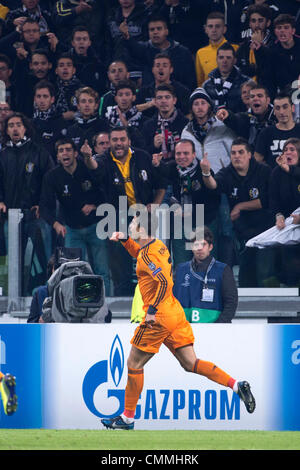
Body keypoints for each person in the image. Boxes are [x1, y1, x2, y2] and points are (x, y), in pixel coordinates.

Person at [101, 211, 255, 430]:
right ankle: (236, 385)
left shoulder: (148, 255)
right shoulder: (156, 246)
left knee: (133, 364)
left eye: (133, 224)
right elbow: (142, 257)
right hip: (175, 314)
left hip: (160, 316)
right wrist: (125, 240)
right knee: (190, 363)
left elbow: (164, 282)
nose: (130, 226)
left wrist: (152, 310)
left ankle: (127, 418)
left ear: (142, 230)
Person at [83, 126, 166, 296]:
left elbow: (161, 185)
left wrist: (155, 204)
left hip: (144, 216)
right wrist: (87, 157)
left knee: (149, 259)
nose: (118, 143)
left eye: (122, 139)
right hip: (116, 218)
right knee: (120, 263)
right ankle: (124, 302)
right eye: (115, 140)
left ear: (129, 141)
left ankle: (152, 298)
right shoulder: (104, 159)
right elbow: (95, 167)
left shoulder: (142, 157)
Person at [200, 137, 276, 288]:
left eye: (241, 152)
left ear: (249, 155)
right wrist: (206, 173)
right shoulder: (228, 172)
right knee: (245, 275)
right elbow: (214, 185)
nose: (236, 156)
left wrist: (240, 206)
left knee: (264, 272)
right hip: (243, 234)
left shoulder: (264, 171)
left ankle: (270, 310)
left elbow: (268, 201)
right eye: (233, 153)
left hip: (265, 232)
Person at [39, 137, 111, 295]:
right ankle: (77, 304)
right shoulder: (52, 176)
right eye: (61, 151)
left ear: (75, 153)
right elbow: (44, 206)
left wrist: (95, 206)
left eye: (68, 150)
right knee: (73, 271)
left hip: (96, 226)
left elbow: (107, 192)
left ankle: (107, 304)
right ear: (57, 156)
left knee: (102, 269)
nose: (65, 153)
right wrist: (56, 224)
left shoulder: (87, 169)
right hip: (72, 229)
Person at [181, 87, 236, 265]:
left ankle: (227, 267)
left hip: (223, 182)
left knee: (227, 229)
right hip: (203, 186)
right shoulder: (187, 131)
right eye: (196, 104)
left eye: (203, 103)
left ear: (209, 106)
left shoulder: (222, 126)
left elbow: (232, 151)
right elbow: (186, 157)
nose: (199, 107)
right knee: (208, 231)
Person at [0, 112, 54, 294]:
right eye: (11, 125)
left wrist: (42, 203)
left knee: (46, 256)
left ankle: (50, 293)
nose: (15, 128)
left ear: (25, 128)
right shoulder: (3, 154)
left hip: (35, 216)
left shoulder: (39, 152)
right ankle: (16, 297)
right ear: (6, 131)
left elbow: (50, 181)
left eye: (18, 125)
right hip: (11, 217)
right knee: (14, 259)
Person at [152, 139, 220, 266]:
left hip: (204, 223)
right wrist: (156, 164)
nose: (182, 157)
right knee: (182, 266)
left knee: (205, 266)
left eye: (186, 153)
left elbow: (213, 186)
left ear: (194, 154)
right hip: (180, 226)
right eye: (178, 154)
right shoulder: (172, 167)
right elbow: (160, 172)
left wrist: (206, 172)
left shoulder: (202, 168)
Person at [173, 226, 238, 323]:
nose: (199, 248)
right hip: (184, 329)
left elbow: (231, 302)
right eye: (196, 244)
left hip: (214, 330)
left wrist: (219, 325)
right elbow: (170, 299)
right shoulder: (180, 270)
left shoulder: (223, 269)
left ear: (210, 247)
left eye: (203, 244)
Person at [120, 14, 197, 91]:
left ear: (166, 31)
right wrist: (127, 37)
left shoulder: (182, 52)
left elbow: (190, 79)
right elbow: (133, 48)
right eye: (152, 29)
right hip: (150, 95)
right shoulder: (144, 49)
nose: (155, 32)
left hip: (178, 94)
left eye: (159, 29)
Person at [269, 137, 300, 286]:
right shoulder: (277, 173)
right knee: (289, 264)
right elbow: (273, 199)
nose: (288, 152)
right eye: (285, 150)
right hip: (288, 224)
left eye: (292, 149)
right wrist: (279, 215)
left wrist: (289, 169)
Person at [216, 84, 276, 150]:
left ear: (268, 100)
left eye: (259, 96)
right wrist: (227, 115)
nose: (255, 99)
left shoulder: (278, 116)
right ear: (249, 101)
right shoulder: (247, 117)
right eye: (252, 97)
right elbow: (236, 119)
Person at [142, 83, 189, 162]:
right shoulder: (148, 125)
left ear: (174, 100)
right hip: (157, 170)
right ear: (155, 101)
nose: (163, 101)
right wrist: (154, 146)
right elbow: (143, 154)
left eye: (167, 97)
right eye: (160, 98)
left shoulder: (185, 124)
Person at [136, 52, 190, 117]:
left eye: (165, 66)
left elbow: (189, 114)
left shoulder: (182, 91)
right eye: (157, 65)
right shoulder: (143, 91)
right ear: (153, 70)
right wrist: (149, 104)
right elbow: (133, 110)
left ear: (171, 70)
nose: (161, 68)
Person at [254, 92, 300, 168]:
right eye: (277, 108)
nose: (281, 112)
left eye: (285, 107)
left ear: (293, 108)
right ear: (274, 111)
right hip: (273, 178)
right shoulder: (266, 133)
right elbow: (256, 161)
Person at [203, 42, 250, 114]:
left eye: (228, 58)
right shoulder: (207, 85)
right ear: (216, 60)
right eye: (221, 58)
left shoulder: (246, 83)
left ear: (234, 60)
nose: (224, 61)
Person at [195, 11, 238, 87]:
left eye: (217, 26)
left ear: (224, 29)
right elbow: (200, 83)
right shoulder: (200, 53)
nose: (214, 30)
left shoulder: (236, 49)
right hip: (210, 95)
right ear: (206, 29)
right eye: (210, 26)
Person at [235, 3, 274, 86]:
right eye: (253, 21)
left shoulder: (275, 44)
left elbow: (271, 70)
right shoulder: (243, 47)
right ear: (249, 24)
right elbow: (238, 72)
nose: (257, 25)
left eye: (260, 20)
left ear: (268, 23)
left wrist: (260, 47)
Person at [105, 79, 147, 149]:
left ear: (133, 97)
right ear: (116, 98)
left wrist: (128, 127)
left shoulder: (143, 121)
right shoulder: (107, 118)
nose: (124, 98)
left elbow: (142, 144)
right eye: (120, 95)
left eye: (127, 94)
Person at [32, 79, 69, 161]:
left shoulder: (61, 122)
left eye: (45, 96)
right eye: (38, 96)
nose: (42, 100)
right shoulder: (29, 124)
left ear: (52, 99)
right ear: (34, 99)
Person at [66, 86, 109, 152]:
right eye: (83, 101)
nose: (87, 105)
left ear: (96, 105)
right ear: (78, 106)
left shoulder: (105, 126)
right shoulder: (71, 130)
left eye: (90, 101)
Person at [68, 25, 106, 97]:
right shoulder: (66, 62)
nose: (81, 42)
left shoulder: (97, 64)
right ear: (73, 43)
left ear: (89, 42)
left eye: (84, 39)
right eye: (78, 39)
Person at [54, 52, 83, 121]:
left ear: (74, 70)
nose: (65, 68)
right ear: (56, 71)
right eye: (61, 65)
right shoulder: (51, 88)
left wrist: (74, 115)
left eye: (69, 65)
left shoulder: (82, 90)